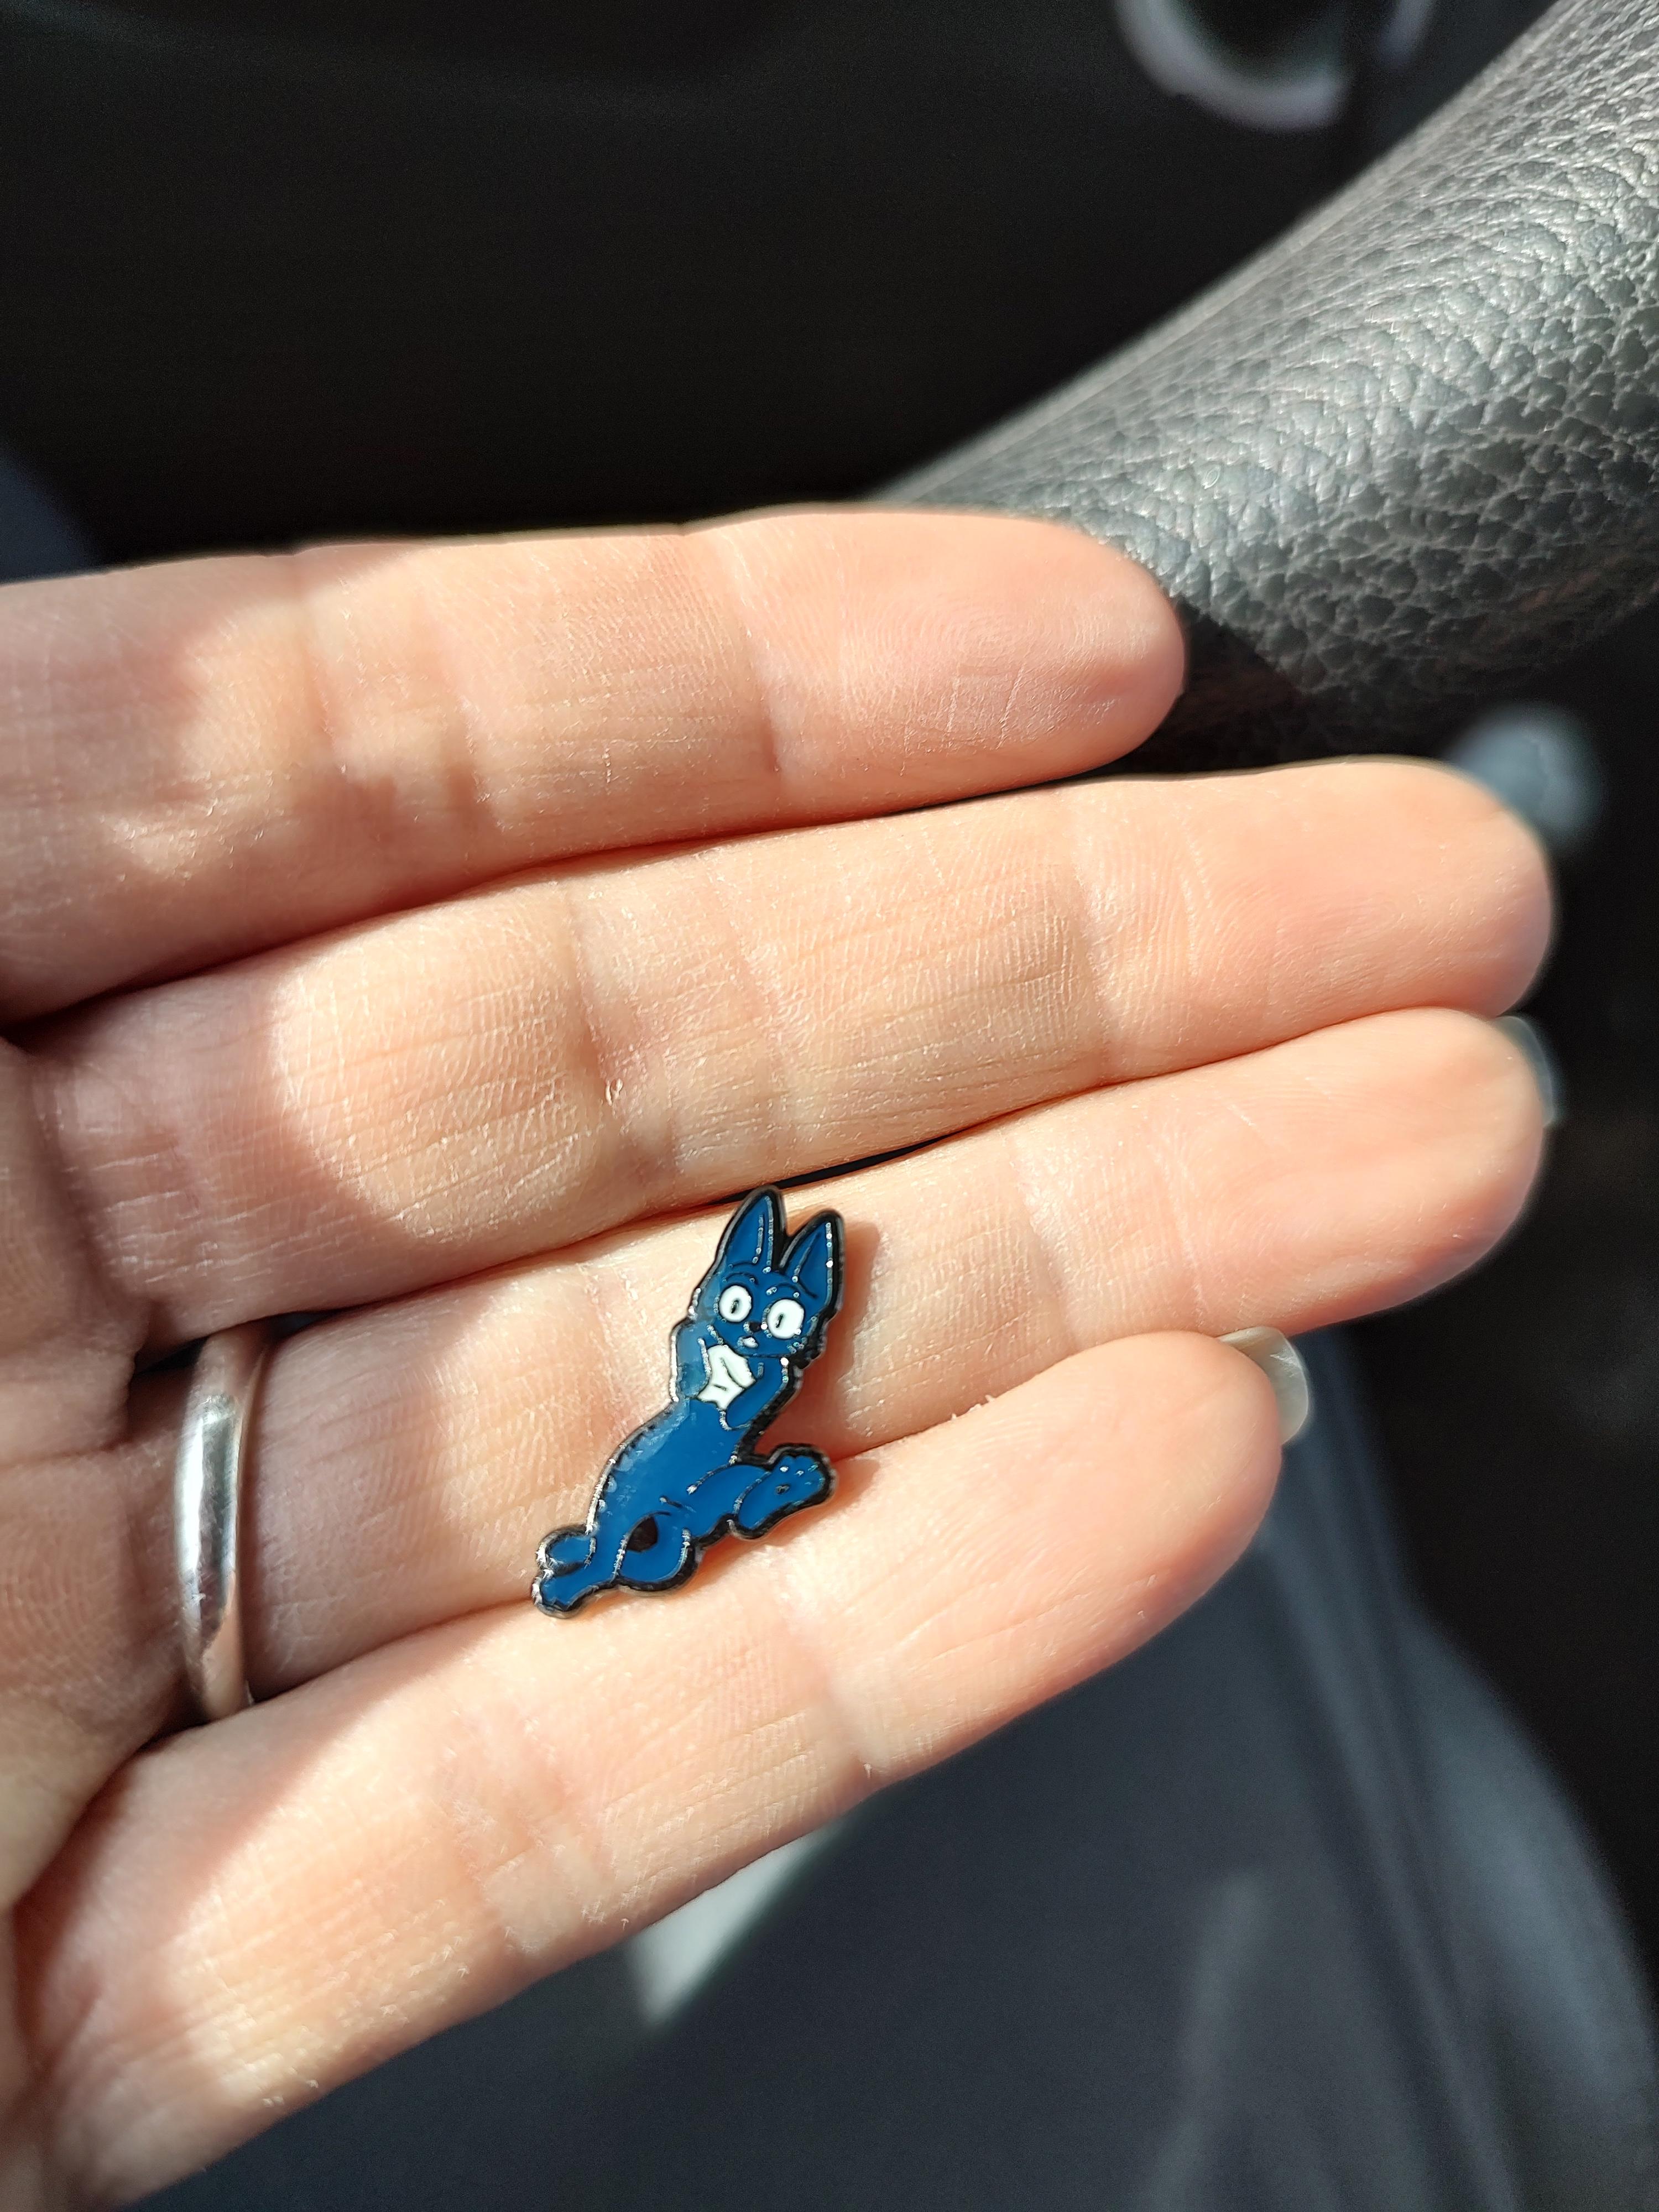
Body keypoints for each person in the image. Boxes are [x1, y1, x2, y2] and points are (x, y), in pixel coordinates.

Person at [6, 495, 1626, 2212]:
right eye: (763, 1317)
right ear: (728, 1324)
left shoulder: (723, 1397)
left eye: (781, 1319)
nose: (779, 1332)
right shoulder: (696, 1425)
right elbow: (706, 1437)